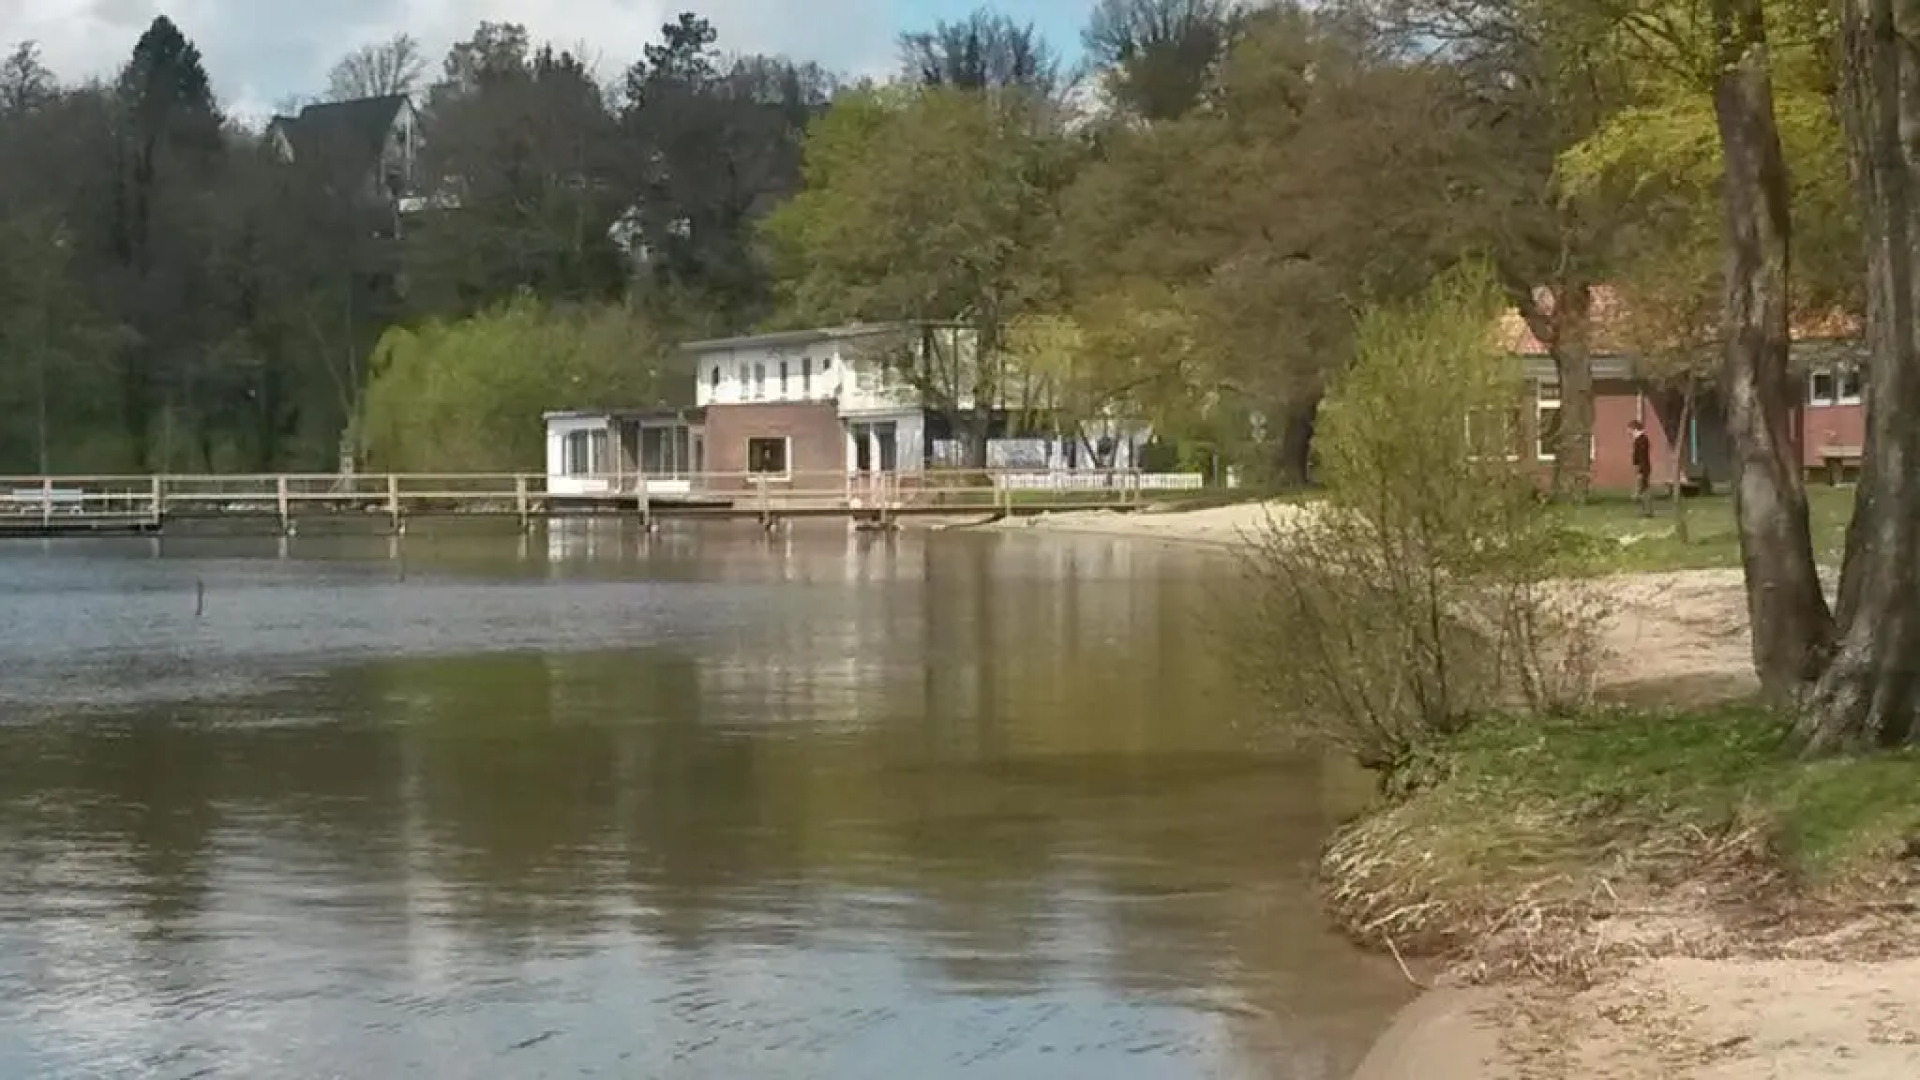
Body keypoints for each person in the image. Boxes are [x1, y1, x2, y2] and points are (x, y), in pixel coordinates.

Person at [1629, 419, 1653, 516]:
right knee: (1643, 489)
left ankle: (1647, 511)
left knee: (1642, 490)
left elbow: (1642, 457)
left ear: (1634, 429)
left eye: (1629, 429)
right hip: (1641, 467)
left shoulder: (1642, 440)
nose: (1628, 432)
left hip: (1643, 468)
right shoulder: (1638, 440)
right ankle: (1646, 511)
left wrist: (1640, 470)